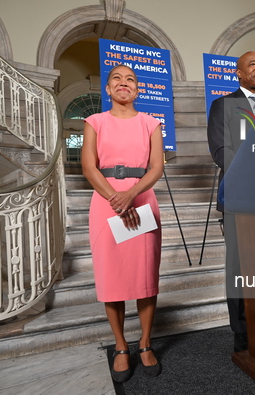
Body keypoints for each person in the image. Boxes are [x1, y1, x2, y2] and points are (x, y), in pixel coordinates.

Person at [81, 64, 164, 381]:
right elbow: (90, 167)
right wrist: (115, 198)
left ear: (138, 89)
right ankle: (120, 346)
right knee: (112, 277)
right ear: (108, 89)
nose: (123, 82)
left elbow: (156, 168)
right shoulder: (95, 122)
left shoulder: (150, 123)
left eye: (130, 79)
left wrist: (131, 193)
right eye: (117, 78)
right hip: (106, 205)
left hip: (141, 201)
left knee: (145, 277)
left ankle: (145, 343)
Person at [206, 51, 255, 352]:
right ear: (238, 73)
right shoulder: (223, 105)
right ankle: (242, 331)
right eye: (252, 65)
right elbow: (222, 152)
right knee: (240, 266)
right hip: (239, 196)